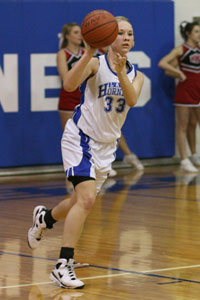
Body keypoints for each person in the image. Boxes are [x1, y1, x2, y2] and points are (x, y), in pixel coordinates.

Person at [27, 16, 144, 289]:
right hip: (80, 138)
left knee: (78, 200)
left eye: (130, 34)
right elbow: (68, 85)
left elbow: (132, 99)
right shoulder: (94, 63)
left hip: (107, 146)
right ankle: (62, 264)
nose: (126, 38)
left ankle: (45, 218)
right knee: (87, 200)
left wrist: (119, 72)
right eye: (120, 33)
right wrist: (90, 52)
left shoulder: (136, 74)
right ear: (108, 37)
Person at [158, 21, 200, 172]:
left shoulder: (198, 49)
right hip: (185, 92)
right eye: (196, 31)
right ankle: (184, 159)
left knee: (194, 123)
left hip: (197, 91)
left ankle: (194, 154)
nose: (199, 34)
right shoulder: (180, 49)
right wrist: (179, 73)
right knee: (183, 125)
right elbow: (163, 63)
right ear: (188, 33)